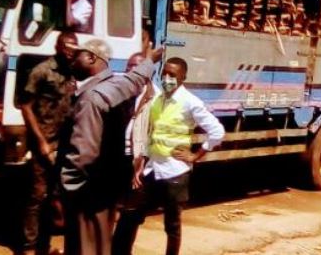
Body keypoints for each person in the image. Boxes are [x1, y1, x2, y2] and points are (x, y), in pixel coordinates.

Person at [58, 39, 161, 255]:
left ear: (91, 58)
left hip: (86, 193)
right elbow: (135, 79)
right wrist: (149, 61)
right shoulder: (116, 86)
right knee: (101, 246)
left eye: (77, 56)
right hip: (106, 190)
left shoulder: (91, 98)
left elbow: (83, 154)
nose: (72, 60)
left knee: (84, 248)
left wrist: (65, 189)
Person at [113, 57, 225, 255]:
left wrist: (195, 156)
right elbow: (151, 133)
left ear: (183, 77)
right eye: (164, 73)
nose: (166, 78)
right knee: (130, 215)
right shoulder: (158, 99)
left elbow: (217, 131)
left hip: (175, 173)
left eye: (172, 75)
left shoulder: (190, 102)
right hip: (152, 169)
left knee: (171, 225)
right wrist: (141, 162)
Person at [17, 30, 79, 255]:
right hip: (43, 141)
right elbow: (25, 106)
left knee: (56, 195)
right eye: (67, 47)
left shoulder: (73, 74)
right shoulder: (42, 71)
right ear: (58, 47)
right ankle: (29, 246)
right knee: (38, 195)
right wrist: (41, 141)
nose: (71, 51)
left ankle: (45, 244)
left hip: (65, 144)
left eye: (74, 47)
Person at [111, 52, 159, 255]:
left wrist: (143, 162)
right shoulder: (119, 91)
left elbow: (156, 134)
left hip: (138, 162)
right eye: (129, 66)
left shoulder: (156, 98)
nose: (132, 70)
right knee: (110, 208)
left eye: (136, 67)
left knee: (131, 214)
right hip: (116, 158)